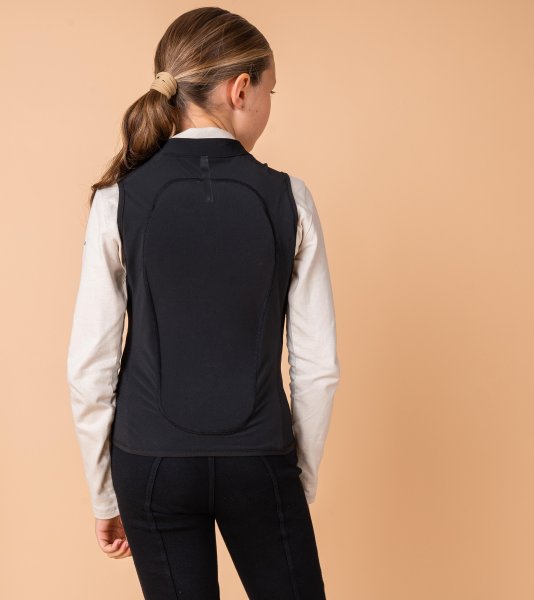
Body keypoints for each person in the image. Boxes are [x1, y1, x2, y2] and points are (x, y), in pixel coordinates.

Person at [66, 6, 340, 600]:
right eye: (270, 90)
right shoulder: (288, 198)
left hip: (150, 464)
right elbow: (318, 369)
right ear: (240, 89)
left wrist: (105, 493)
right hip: (258, 460)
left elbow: (89, 368)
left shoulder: (117, 199)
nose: (268, 104)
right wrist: (294, 483)